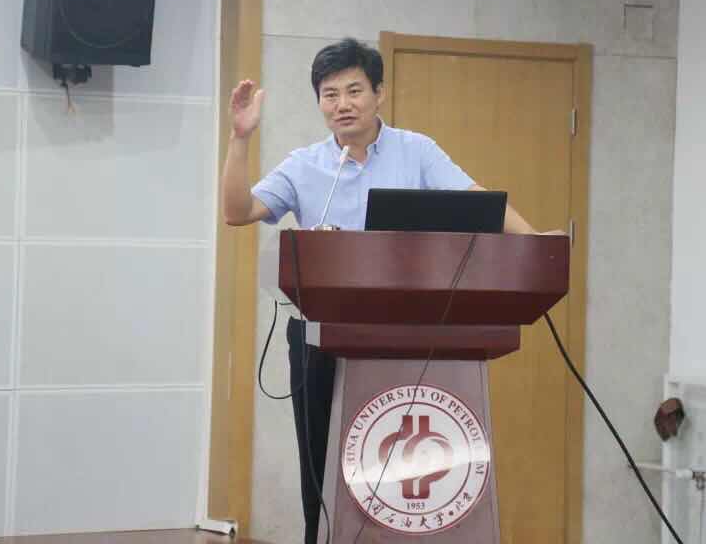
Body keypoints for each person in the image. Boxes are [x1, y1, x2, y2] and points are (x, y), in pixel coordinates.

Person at [221, 38, 551, 543]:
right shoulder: (304, 165)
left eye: (355, 90)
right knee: (322, 463)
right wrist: (239, 138)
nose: (343, 104)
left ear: (380, 93)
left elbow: (479, 203)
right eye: (330, 94)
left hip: (408, 330)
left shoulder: (416, 151)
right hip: (318, 332)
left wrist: (535, 244)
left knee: (398, 457)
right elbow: (237, 212)